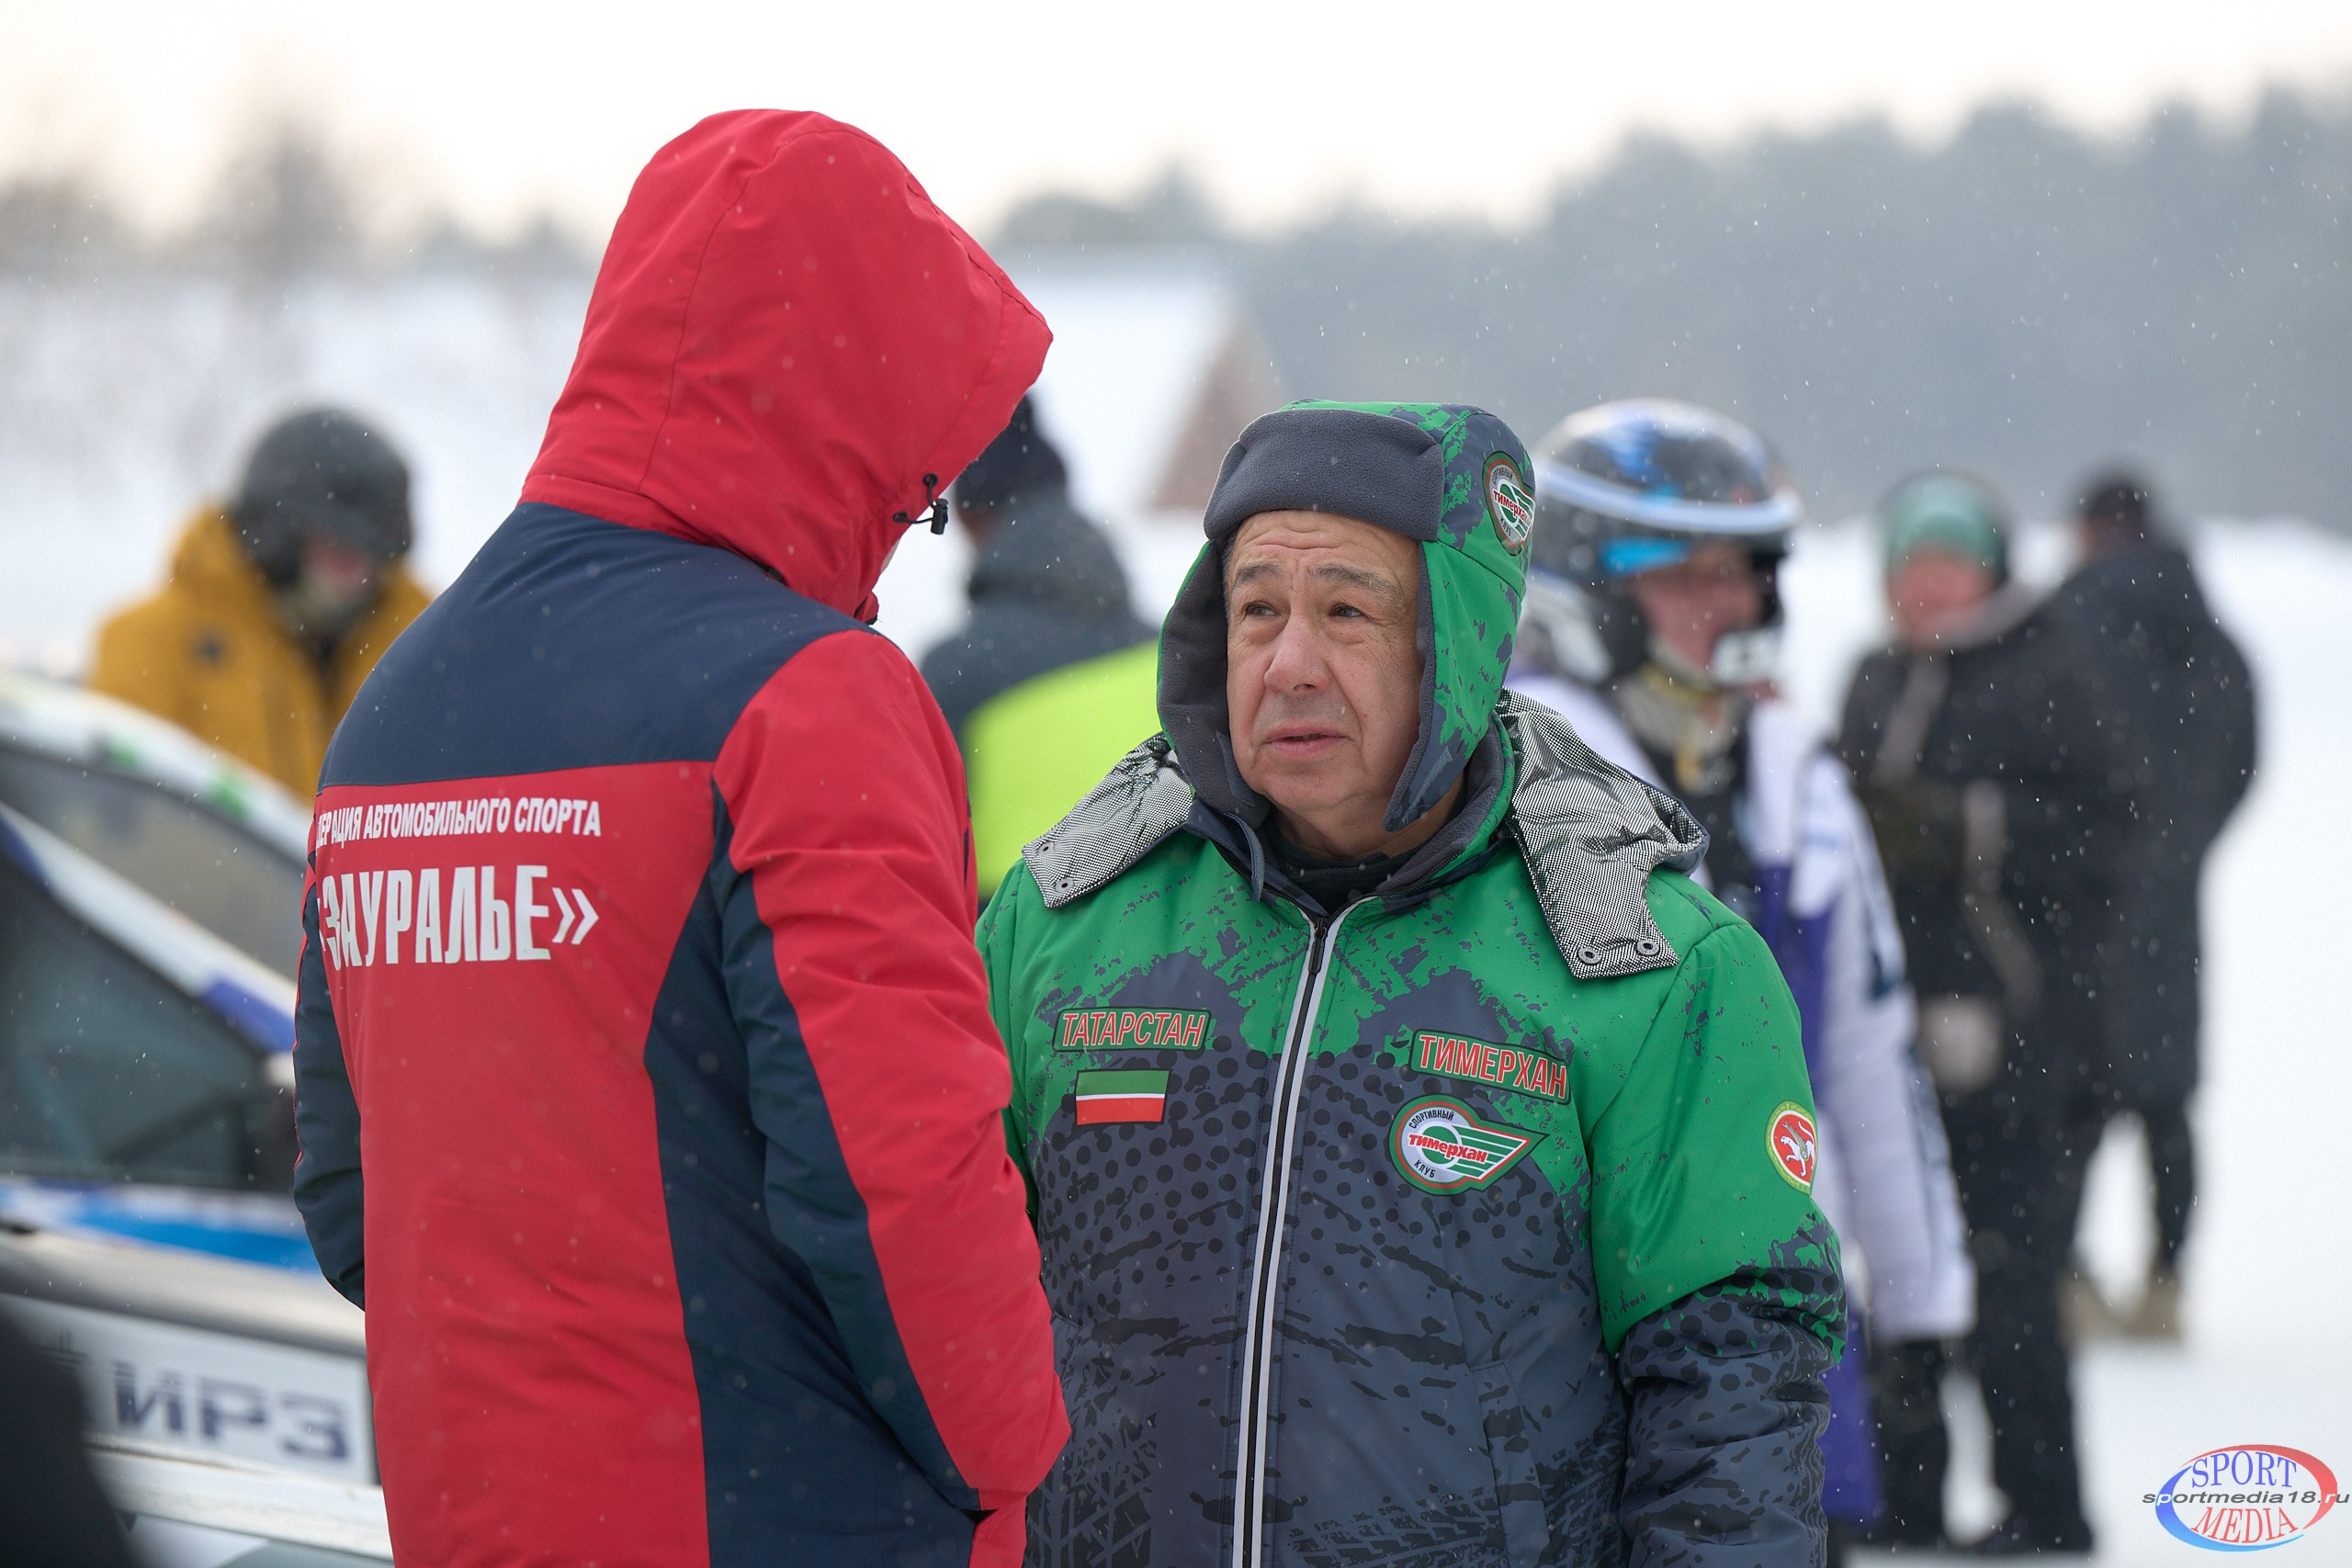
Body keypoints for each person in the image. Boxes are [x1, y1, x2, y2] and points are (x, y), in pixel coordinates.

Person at [290, 111, 1068, 1568]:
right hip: (787, 1511)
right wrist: (1021, 1459)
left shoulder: (397, 704)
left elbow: (351, 1194)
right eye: (920, 477)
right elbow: (898, 1181)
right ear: (852, 406)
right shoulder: (805, 696)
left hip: (475, 1511)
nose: (913, 520)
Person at [982, 400, 1845, 1566]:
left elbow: (1732, 1395)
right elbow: (919, 1315)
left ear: (1459, 641)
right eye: (1256, 611)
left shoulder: (1646, 965)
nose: (1289, 663)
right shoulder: (1064, 925)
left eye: (1347, 611)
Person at [1506, 400, 1973, 1560]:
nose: (1732, 609)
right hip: (1564, 1358)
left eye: (1748, 575)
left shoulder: (1793, 777)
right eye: (1687, 579)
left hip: (1774, 1335)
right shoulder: (1509, 782)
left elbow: (1871, 1054)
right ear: (1585, 585)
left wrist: (1921, 1315)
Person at [1837, 472, 2139, 1556]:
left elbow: (2112, 831)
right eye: (1909, 568)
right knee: (1901, 1280)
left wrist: (1964, 828)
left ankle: (2043, 1515)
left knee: (2012, 1288)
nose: (1927, 588)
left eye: (1948, 566)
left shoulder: (2048, 670)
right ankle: (1899, 1501)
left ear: (1989, 571)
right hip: (1894, 1042)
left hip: (2029, 1040)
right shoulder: (1873, 677)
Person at [2049, 469, 2256, 1339]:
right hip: (2171, 902)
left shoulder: (2064, 624)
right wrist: (2181, 847)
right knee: (2167, 1098)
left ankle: (2066, 1280)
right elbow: (2244, 759)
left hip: (2076, 900)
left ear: (2092, 529)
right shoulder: (2213, 638)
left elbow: (2037, 743)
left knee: (2071, 1097)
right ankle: (2166, 1283)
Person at [89, 407, 430, 797]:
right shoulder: (151, 640)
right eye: (339, 551)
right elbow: (116, 815)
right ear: (276, 536)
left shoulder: (416, 642)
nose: (360, 577)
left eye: (374, 555)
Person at [919, 397, 1159, 898]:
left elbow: (917, 867)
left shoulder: (956, 675)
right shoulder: (1169, 654)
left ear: (968, 518)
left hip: (1008, 960)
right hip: (1163, 952)